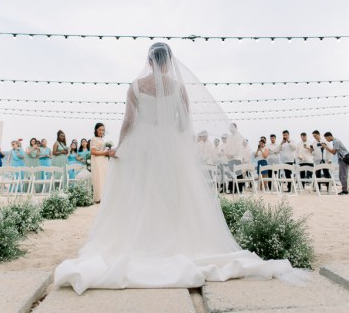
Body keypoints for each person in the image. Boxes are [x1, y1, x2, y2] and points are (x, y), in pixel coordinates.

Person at [54, 42, 299, 295]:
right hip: (169, 144)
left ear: (149, 61)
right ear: (169, 61)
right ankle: (171, 237)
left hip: (142, 145)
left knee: (140, 192)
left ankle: (143, 239)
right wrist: (172, 140)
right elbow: (184, 123)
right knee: (171, 191)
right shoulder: (178, 87)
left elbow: (128, 121)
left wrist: (120, 146)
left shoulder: (136, 86)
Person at [91, 122, 112, 203]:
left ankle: (103, 196)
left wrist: (107, 152)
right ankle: (98, 198)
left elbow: (101, 150)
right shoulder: (94, 139)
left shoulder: (102, 139)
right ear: (96, 130)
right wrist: (104, 153)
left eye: (103, 130)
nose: (101, 131)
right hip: (97, 160)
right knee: (98, 177)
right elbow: (93, 152)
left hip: (103, 160)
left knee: (103, 177)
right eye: (100, 129)